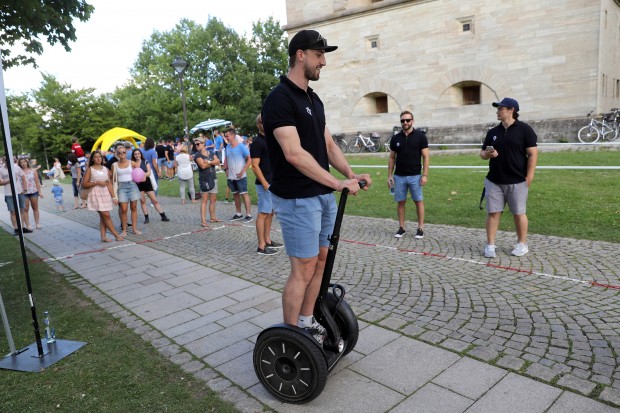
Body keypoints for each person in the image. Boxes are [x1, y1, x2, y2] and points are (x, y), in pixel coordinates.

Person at [262, 29, 371, 341]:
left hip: (321, 196)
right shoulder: (279, 99)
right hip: (297, 198)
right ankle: (290, 335)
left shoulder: (313, 98)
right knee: (303, 267)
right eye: (319, 55)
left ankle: (307, 320)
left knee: (322, 260)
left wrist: (351, 175)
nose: (324, 61)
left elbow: (329, 146)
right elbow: (294, 154)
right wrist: (337, 183)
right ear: (300, 55)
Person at [481, 97, 538, 258]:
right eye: (498, 108)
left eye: (500, 108)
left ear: (511, 110)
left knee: (519, 213)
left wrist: (530, 176)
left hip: (517, 180)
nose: (497, 111)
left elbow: (533, 154)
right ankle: (490, 245)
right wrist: (488, 154)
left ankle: (522, 244)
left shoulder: (525, 130)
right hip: (494, 180)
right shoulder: (493, 132)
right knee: (493, 213)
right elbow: (482, 154)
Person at [387, 110, 430, 239]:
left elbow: (426, 157)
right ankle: (401, 227)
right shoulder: (396, 138)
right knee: (400, 202)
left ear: (412, 121)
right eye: (402, 121)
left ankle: (420, 228)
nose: (405, 122)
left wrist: (425, 175)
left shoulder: (420, 137)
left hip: (415, 176)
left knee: (418, 201)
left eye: (407, 120)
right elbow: (391, 158)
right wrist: (389, 175)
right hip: (399, 176)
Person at [250, 113, 283, 255]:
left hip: (273, 183)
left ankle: (268, 240)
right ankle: (261, 246)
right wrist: (264, 183)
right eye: (263, 122)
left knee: (270, 213)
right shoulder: (257, 142)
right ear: (259, 124)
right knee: (263, 214)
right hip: (265, 184)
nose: (265, 124)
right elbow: (255, 166)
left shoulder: (271, 140)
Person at [82, 150, 124, 242]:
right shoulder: (90, 169)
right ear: (92, 159)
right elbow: (84, 184)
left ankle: (103, 237)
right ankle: (116, 235)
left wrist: (114, 197)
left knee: (103, 216)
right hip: (95, 195)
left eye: (99, 157)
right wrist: (96, 182)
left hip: (105, 194)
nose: (98, 158)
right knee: (106, 215)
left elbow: (109, 184)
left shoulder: (105, 169)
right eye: (96, 157)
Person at [131, 148, 170, 223]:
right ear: (133, 155)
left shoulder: (145, 162)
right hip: (138, 184)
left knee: (154, 200)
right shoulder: (132, 164)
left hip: (147, 183)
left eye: (138, 154)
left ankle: (163, 215)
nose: (137, 155)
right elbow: (132, 174)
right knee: (142, 201)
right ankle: (146, 217)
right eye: (135, 154)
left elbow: (149, 173)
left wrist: (141, 175)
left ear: (141, 154)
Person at [222, 128, 252, 222]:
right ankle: (238, 213)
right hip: (231, 176)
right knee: (235, 194)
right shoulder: (227, 147)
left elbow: (249, 159)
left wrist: (243, 170)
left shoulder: (241, 146)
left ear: (233, 135)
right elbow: (226, 158)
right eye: (225, 136)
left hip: (240, 175)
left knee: (244, 194)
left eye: (228, 136)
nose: (226, 138)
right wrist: (225, 169)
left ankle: (248, 214)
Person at [113, 146, 141, 236]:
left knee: (134, 207)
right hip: (121, 187)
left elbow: (140, 173)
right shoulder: (114, 165)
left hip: (132, 185)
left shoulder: (132, 163)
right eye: (120, 153)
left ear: (126, 153)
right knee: (123, 209)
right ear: (117, 154)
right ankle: (124, 230)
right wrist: (114, 196)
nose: (122, 154)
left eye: (124, 152)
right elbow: (113, 180)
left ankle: (134, 229)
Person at [0, 155, 32, 234]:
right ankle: (16, 228)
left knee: (22, 210)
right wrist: (9, 180)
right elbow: (0, 183)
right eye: (6, 160)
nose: (8, 162)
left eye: (9, 160)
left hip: (19, 192)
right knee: (13, 211)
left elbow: (23, 178)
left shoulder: (17, 167)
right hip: (9, 194)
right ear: (4, 161)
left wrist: (25, 189)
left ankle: (22, 227)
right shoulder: (1, 170)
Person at [194, 136, 221, 225]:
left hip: (213, 177)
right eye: (195, 144)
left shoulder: (211, 152)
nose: (196, 146)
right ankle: (203, 221)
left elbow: (218, 161)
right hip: (204, 179)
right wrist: (212, 163)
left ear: (203, 144)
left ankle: (213, 218)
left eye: (198, 144)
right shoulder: (197, 155)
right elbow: (202, 166)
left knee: (213, 199)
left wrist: (208, 162)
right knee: (204, 200)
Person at [18, 158, 43, 230]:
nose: (23, 163)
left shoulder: (33, 171)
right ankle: (28, 224)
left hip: (33, 191)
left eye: (24, 162)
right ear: (19, 164)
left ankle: (37, 223)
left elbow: (37, 182)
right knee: (25, 209)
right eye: (21, 162)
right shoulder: (18, 172)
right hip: (23, 192)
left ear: (27, 162)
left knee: (35, 208)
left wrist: (40, 192)